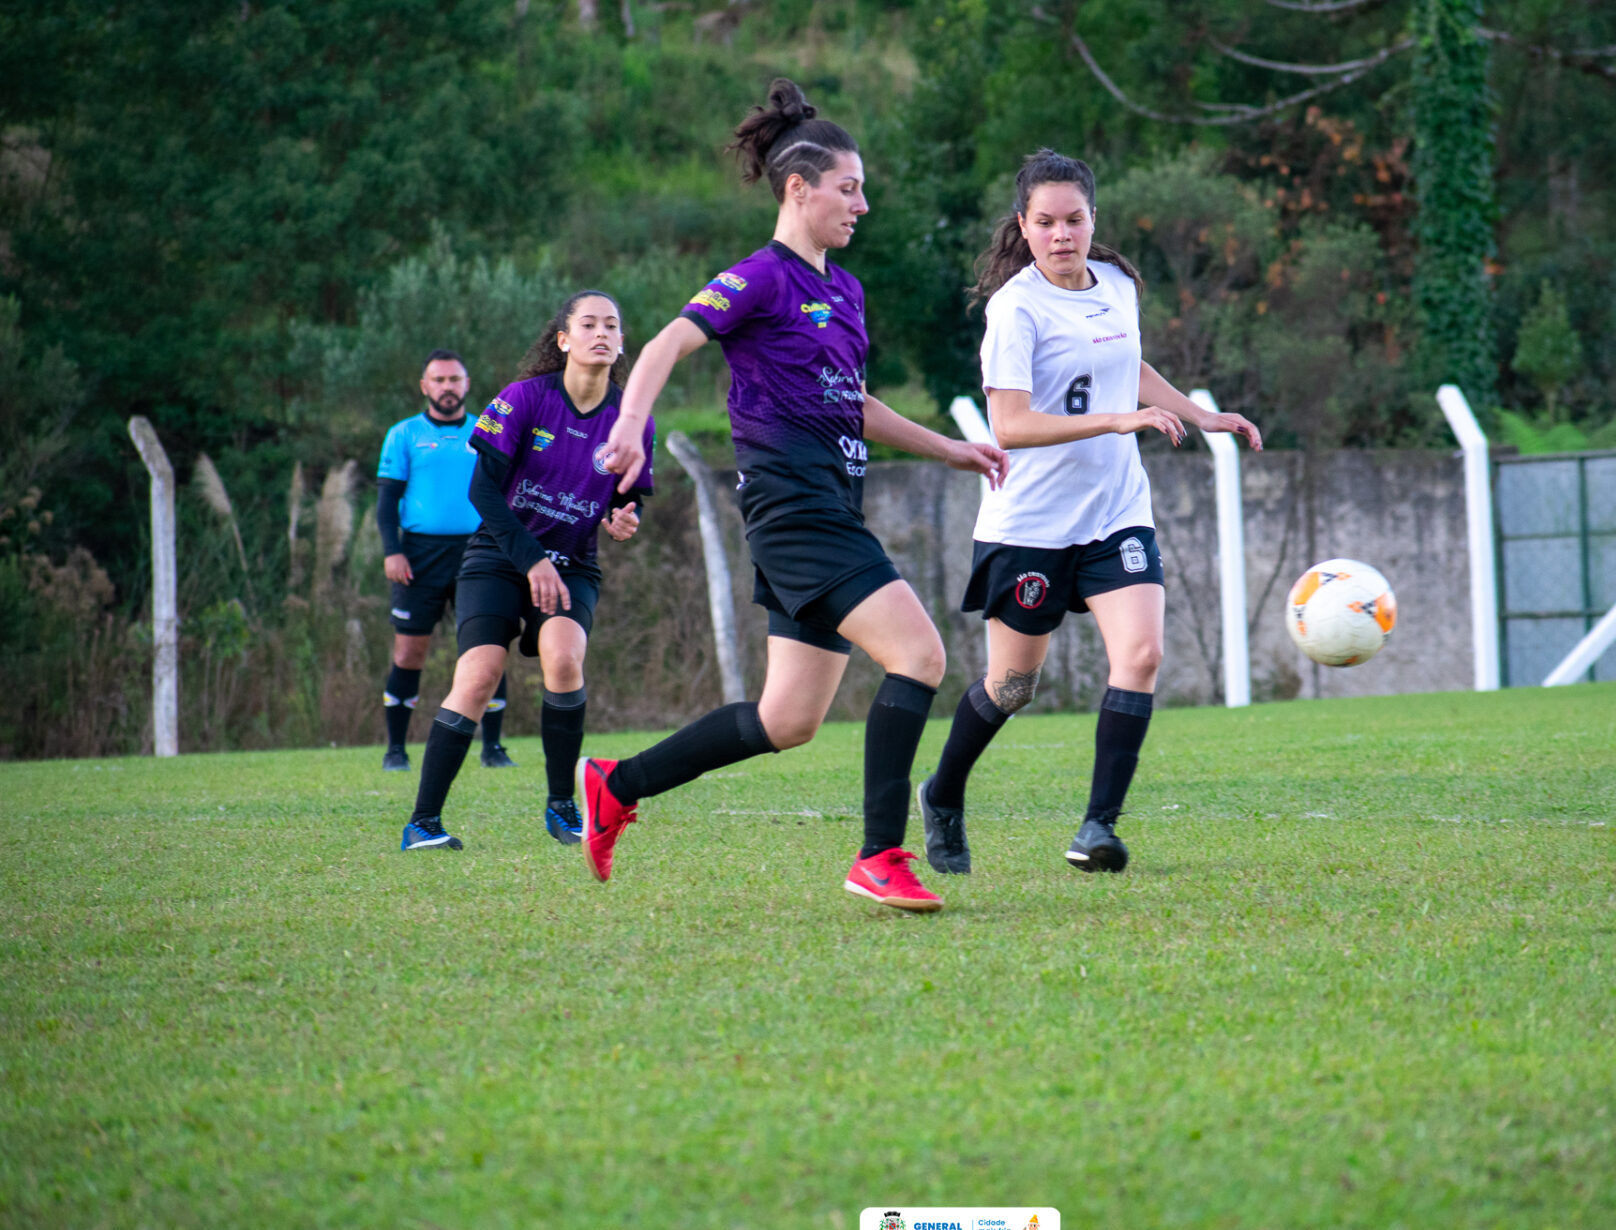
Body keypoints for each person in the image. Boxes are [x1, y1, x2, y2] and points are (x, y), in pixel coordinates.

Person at [576, 78, 1009, 912]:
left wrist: (949, 447)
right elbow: (668, 340)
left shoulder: (842, 292)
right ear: (798, 189)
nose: (864, 204)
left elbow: (856, 401)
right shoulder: (761, 278)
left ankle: (616, 784)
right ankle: (880, 855)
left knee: (788, 720)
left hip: (829, 506)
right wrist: (627, 424)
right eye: (849, 188)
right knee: (920, 656)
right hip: (792, 507)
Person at [916, 149, 1262, 876]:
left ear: (1092, 219)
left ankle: (1097, 828)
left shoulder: (1117, 286)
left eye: (1074, 219)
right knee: (1013, 687)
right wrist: (1116, 422)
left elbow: (1126, 366)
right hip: (1031, 526)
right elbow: (1008, 425)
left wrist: (1201, 415)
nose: (1062, 234)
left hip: (1115, 513)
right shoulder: (1015, 310)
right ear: (1025, 226)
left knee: (1141, 655)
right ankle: (942, 794)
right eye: (1045, 222)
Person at [400, 292, 648, 851]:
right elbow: (482, 489)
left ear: (622, 341)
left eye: (612, 324)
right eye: (588, 324)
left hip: (574, 564)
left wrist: (624, 518)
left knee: (564, 659)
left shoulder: (630, 417)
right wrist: (531, 558)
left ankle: (563, 807)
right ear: (563, 340)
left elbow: (630, 497)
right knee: (479, 675)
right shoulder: (523, 399)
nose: (601, 333)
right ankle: (423, 823)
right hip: (497, 558)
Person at [373, 350, 513, 771]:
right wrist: (392, 550)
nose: (447, 387)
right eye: (439, 380)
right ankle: (396, 749)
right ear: (425, 386)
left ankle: (492, 748)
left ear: (466, 384)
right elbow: (386, 502)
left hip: (480, 550)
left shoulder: (485, 432)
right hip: (419, 555)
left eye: (455, 379)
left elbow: (506, 495)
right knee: (409, 653)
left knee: (487, 647)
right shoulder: (404, 435)